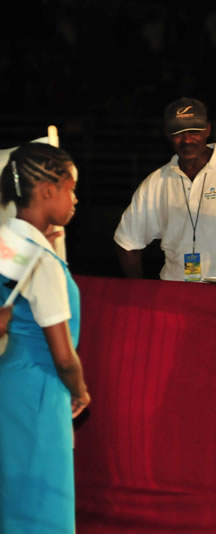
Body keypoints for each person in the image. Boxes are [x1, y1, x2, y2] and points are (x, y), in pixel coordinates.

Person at [0, 142, 91, 533]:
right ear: (47, 191)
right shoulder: (43, 263)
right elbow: (64, 357)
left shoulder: (10, 242)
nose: (75, 200)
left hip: (9, 384)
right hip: (40, 391)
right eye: (71, 189)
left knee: (15, 505)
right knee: (44, 512)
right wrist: (80, 391)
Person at [114, 97, 216, 281]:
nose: (187, 139)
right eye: (178, 132)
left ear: (208, 129)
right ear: (167, 134)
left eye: (194, 131)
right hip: (177, 292)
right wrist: (140, 289)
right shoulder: (156, 182)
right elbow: (126, 241)